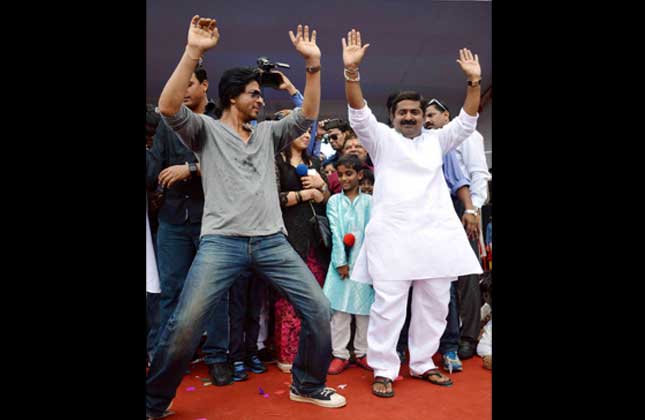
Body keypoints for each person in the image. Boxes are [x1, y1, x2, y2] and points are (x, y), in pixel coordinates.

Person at [146, 17, 346, 418]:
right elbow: (168, 107)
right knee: (184, 325)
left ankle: (307, 384)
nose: (259, 100)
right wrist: (193, 52)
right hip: (221, 241)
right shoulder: (203, 130)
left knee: (319, 310)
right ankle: (153, 401)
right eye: (253, 94)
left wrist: (313, 66)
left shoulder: (269, 132)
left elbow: (306, 113)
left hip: (272, 240)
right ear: (233, 96)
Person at [341, 28, 483, 398]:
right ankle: (384, 368)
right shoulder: (381, 140)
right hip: (392, 237)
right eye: (402, 112)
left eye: (415, 112)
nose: (409, 116)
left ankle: (423, 363)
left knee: (435, 305)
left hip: (435, 235)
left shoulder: (438, 141)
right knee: (389, 307)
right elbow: (358, 115)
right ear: (392, 117)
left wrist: (473, 81)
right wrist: (351, 73)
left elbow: (467, 120)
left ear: (423, 117)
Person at [146, 64, 232, 386]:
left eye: (189, 82)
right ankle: (164, 356)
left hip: (214, 220)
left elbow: (232, 165)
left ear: (205, 84)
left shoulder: (223, 118)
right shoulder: (168, 123)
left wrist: (192, 169)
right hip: (172, 220)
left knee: (217, 292)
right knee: (171, 292)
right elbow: (153, 169)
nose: (182, 88)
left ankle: (217, 356)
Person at [424, 96, 491, 360]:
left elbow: (478, 174)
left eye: (432, 115)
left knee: (466, 274)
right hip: (435, 208)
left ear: (447, 116)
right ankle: (444, 334)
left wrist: (472, 210)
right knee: (440, 274)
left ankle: (468, 336)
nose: (428, 120)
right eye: (425, 116)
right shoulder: (429, 142)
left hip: (463, 207)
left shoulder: (468, 137)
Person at [274, 127, 331, 373]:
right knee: (286, 300)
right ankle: (287, 354)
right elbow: (270, 198)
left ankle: (312, 353)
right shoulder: (276, 162)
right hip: (285, 235)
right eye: (301, 130)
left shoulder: (315, 161)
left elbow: (329, 199)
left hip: (314, 239)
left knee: (314, 298)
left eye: (309, 131)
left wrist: (322, 190)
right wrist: (303, 194)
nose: (307, 135)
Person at [322, 154, 374, 374]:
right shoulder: (334, 201)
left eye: (349, 174)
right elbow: (336, 232)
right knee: (340, 312)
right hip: (340, 266)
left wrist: (370, 265)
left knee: (365, 312)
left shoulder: (370, 202)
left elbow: (372, 234)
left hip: (365, 264)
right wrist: (341, 262)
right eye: (340, 174)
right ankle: (340, 354)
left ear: (360, 175)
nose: (343, 178)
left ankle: (362, 353)